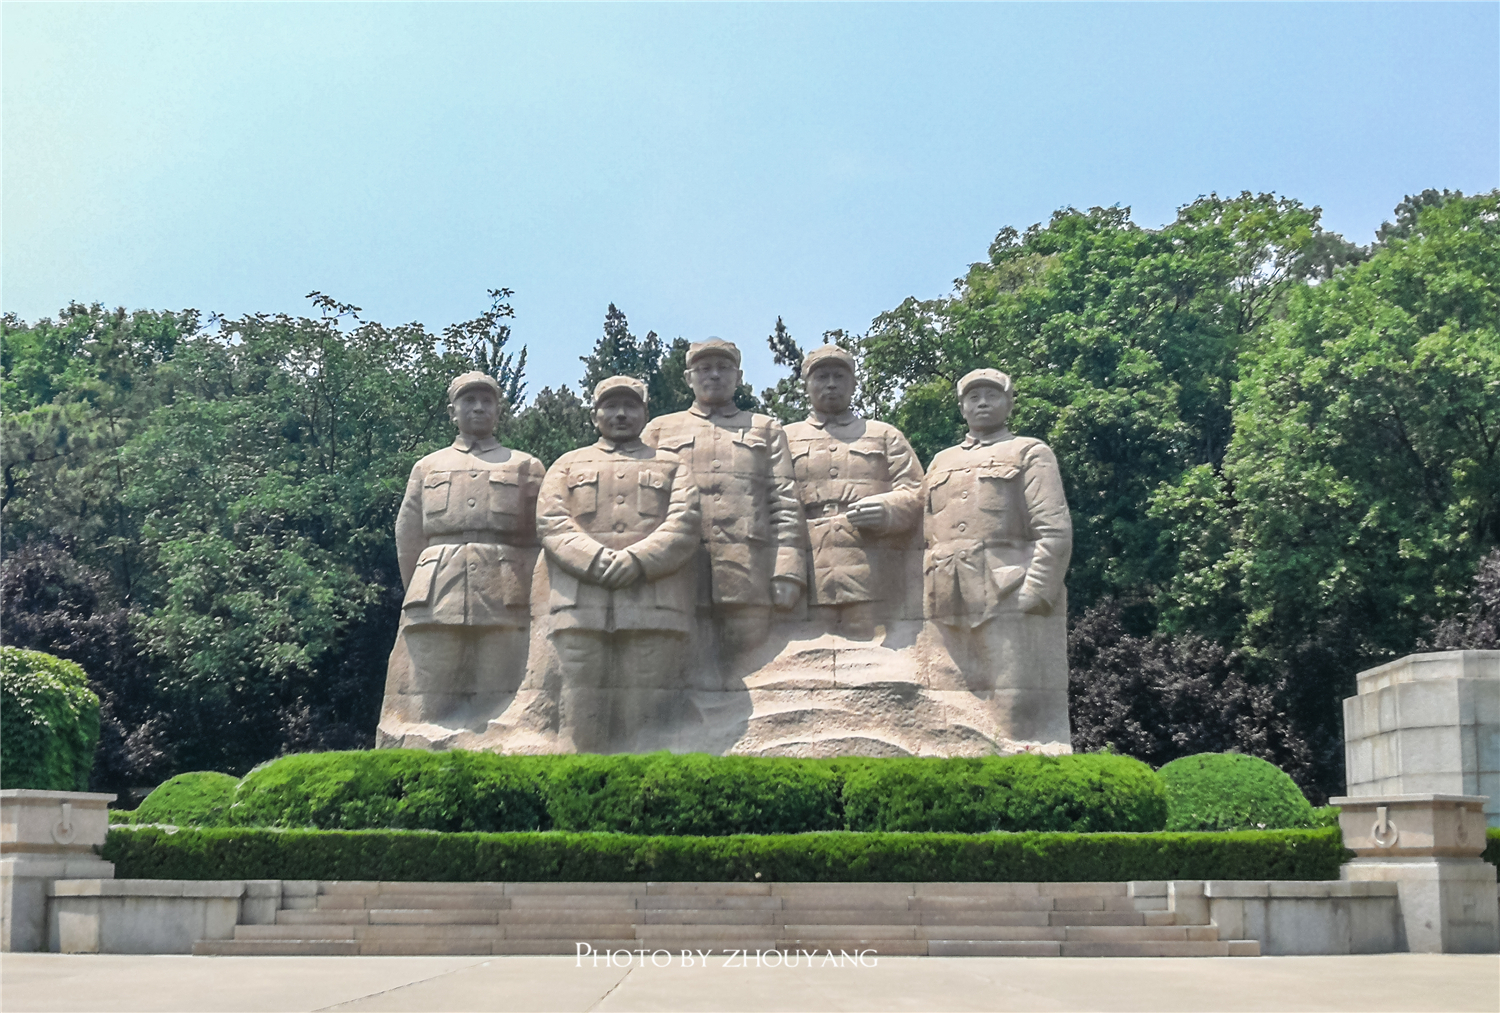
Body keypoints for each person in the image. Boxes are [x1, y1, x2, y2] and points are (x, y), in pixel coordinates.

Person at [537, 376, 701, 752]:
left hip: (654, 599)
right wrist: (594, 560)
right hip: (580, 603)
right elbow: (551, 521)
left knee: (647, 702)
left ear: (646, 413)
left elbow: (685, 522)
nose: (621, 414)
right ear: (595, 414)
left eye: (631, 406)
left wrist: (638, 559)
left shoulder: (673, 466)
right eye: (611, 406)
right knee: (580, 695)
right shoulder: (567, 464)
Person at [378, 371, 545, 737]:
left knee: (498, 694)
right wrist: (419, 588)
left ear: (499, 410)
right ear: (452, 411)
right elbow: (408, 535)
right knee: (427, 699)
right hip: (435, 591)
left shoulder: (525, 466)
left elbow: (539, 539)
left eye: (487, 401)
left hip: (504, 592)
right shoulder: (428, 466)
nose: (479, 408)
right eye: (469, 401)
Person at [923, 368, 1073, 745]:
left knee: (1014, 707)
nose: (983, 403)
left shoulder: (1030, 451)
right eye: (974, 397)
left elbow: (1054, 530)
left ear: (1009, 402)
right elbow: (923, 531)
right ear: (962, 407)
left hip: (1005, 590)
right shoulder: (940, 461)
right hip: (945, 597)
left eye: (992, 395)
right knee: (943, 710)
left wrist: (1036, 592)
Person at [641, 339, 806, 659]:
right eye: (704, 369)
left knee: (749, 658)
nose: (714, 375)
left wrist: (787, 568)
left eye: (723, 368)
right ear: (688, 378)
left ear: (739, 376)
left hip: (747, 566)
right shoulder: (659, 430)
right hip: (677, 567)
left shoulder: (766, 429)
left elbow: (784, 500)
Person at [783, 344, 923, 638]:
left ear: (854, 384)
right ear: (806, 384)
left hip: (869, 556)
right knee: (810, 640)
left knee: (867, 636)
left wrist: (888, 509)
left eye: (839, 376)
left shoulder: (885, 434)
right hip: (807, 556)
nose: (831, 384)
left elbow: (917, 491)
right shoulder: (784, 438)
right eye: (821, 377)